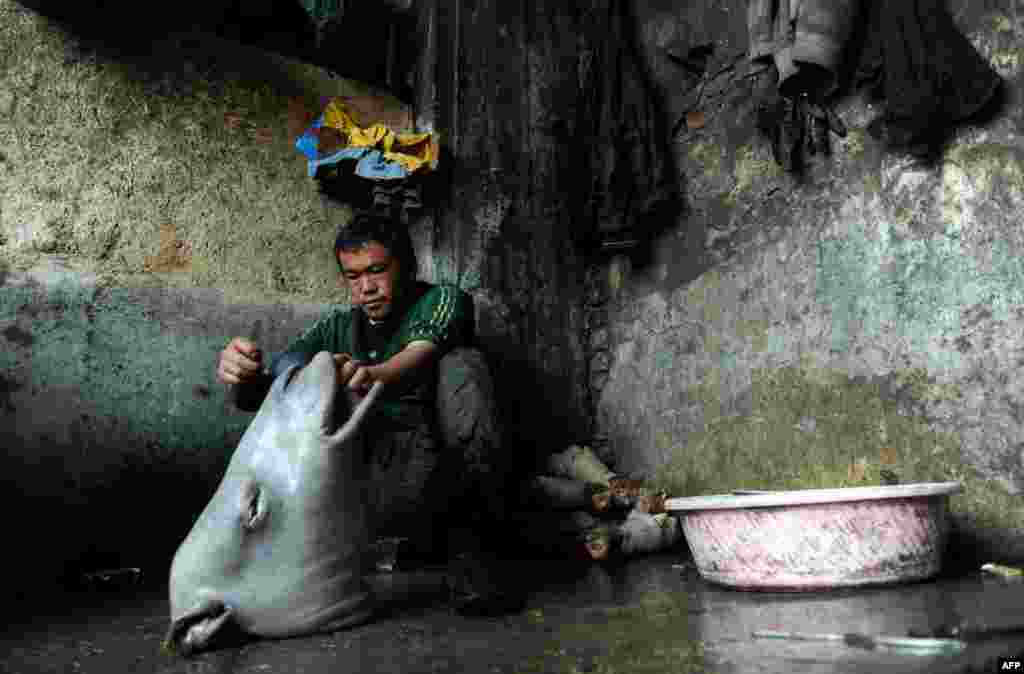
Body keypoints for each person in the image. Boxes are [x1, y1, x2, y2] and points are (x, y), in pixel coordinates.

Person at [215, 211, 516, 613]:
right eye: (353, 277)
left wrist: (368, 374)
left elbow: (419, 354)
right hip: (376, 486)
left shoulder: (443, 300)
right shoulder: (337, 328)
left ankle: (479, 555)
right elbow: (279, 386)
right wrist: (244, 376)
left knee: (462, 365)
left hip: (448, 477)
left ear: (406, 268)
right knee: (305, 386)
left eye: (377, 271)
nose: (366, 288)